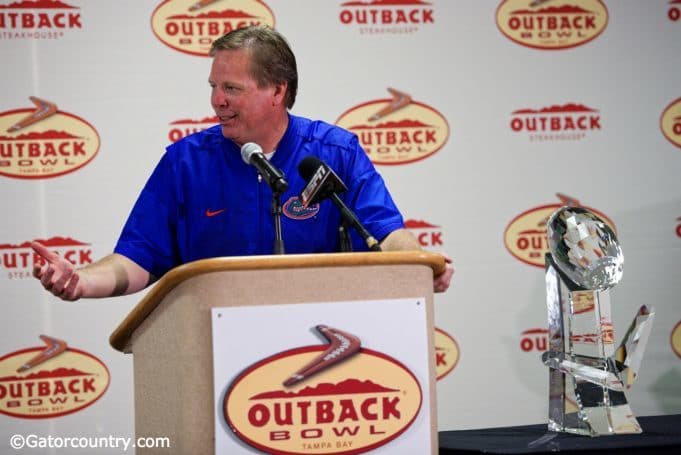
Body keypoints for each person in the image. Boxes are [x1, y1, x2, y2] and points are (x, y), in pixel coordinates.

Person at [31, 25, 453, 301]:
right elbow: (138, 259)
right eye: (214, 86)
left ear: (277, 91)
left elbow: (385, 235)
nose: (217, 100)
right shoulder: (186, 163)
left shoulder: (334, 152)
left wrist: (421, 266)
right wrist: (82, 281)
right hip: (210, 347)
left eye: (232, 88)